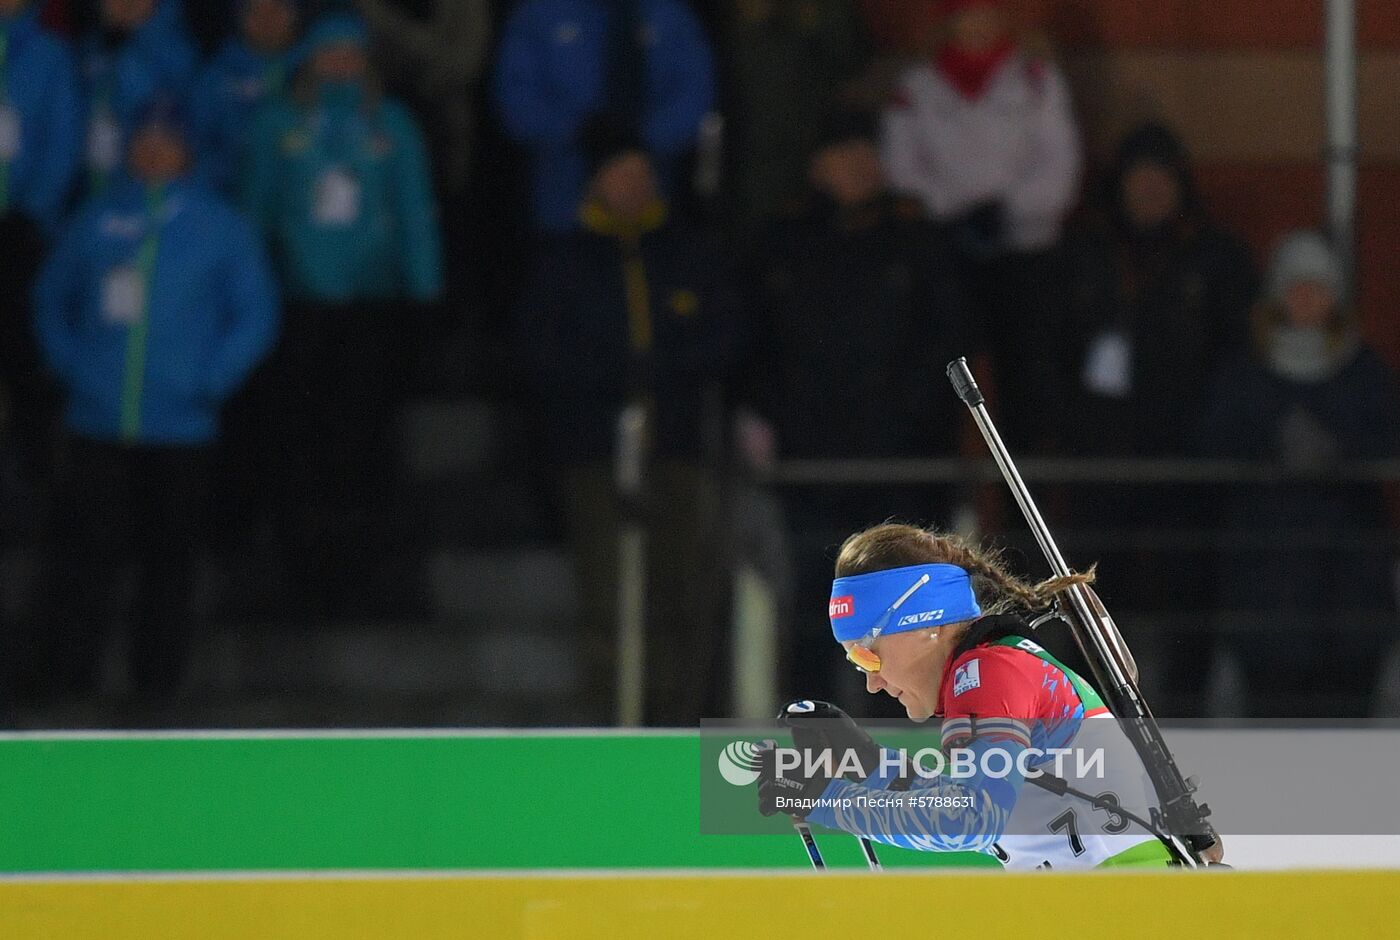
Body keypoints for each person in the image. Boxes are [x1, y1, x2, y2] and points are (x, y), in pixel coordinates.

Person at [754, 522, 1219, 868]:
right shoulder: (991, 670)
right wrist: (869, 763)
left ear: (927, 625)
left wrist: (827, 799)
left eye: (869, 656)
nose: (870, 681)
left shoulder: (986, 671)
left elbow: (968, 819)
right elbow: (996, 807)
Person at [25, 96, 279, 704]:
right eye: (145, 138)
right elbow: (49, 300)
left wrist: (209, 379)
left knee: (171, 563)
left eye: (168, 138)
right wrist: (73, 367)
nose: (154, 148)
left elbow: (254, 312)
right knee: (87, 558)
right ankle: (72, 680)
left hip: (181, 429)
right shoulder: (96, 217)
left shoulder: (219, 224)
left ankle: (157, 686)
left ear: (188, 149)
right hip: (98, 422)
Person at [742, 108, 969, 709]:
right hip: (812, 468)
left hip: (902, 468)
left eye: (865, 153)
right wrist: (780, 423)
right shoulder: (783, 243)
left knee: (902, 622)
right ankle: (812, 749)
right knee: (817, 616)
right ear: (817, 166)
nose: (857, 167)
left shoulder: (915, 238)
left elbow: (948, 344)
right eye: (842, 155)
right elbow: (757, 348)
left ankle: (900, 746)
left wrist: (910, 425)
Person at [516, 145, 741, 725]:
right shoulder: (565, 260)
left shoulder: (686, 253)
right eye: (619, 174)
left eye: (643, 174)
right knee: (608, 592)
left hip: (678, 445)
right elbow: (545, 351)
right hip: (594, 449)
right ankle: (615, 719)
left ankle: (679, 718)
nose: (633, 187)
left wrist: (659, 373)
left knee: (684, 587)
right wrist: (622, 375)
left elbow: (722, 336)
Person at [241, 10, 442, 617]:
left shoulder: (392, 124)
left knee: (366, 436)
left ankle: (368, 570)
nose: (338, 65)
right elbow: (256, 213)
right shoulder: (278, 124)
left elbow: (414, 211)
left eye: (350, 54)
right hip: (298, 307)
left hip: (372, 308)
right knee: (299, 436)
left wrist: (424, 292)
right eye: (327, 53)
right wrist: (250, 295)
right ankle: (297, 569)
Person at [1199, 231, 1400, 719]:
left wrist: (1341, 453)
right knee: (1275, 698)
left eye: (1318, 287)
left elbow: (1387, 442)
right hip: (1269, 574)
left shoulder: (1364, 371)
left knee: (1348, 703)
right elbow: (1212, 444)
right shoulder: (1246, 372)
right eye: (1295, 287)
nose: (1307, 299)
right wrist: (1270, 446)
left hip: (1350, 577)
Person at [880, 0, 1079, 448]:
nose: (979, 22)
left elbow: (1060, 167)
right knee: (937, 387)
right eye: (968, 11)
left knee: (1028, 388)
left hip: (1027, 257)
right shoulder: (916, 86)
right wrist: (955, 210)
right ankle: (938, 509)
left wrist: (1005, 211)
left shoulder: (1036, 78)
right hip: (945, 254)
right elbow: (901, 169)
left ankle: (1023, 510)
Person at [493, 0, 715, 233]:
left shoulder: (670, 13)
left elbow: (696, 92)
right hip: (564, 212)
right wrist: (585, 133)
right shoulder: (538, 13)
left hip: (654, 203)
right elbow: (515, 100)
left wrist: (639, 144)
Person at [0, 0, 81, 478]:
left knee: (22, 359)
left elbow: (63, 137)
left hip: (19, 233)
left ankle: (27, 490)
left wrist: (33, 214)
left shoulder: (50, 56)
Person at [718, 0, 871, 225]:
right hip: (732, 169)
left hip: (806, 163)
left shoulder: (810, 17)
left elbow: (850, 68)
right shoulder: (719, 21)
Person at [77, 0, 197, 194]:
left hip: (149, 193)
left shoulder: (175, 55)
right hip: (90, 193)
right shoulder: (90, 48)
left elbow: (188, 140)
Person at [189, 0, 302, 197]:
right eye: (254, 12)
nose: (267, 20)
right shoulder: (217, 77)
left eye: (277, 10)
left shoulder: (314, 67)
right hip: (233, 195)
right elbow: (197, 144)